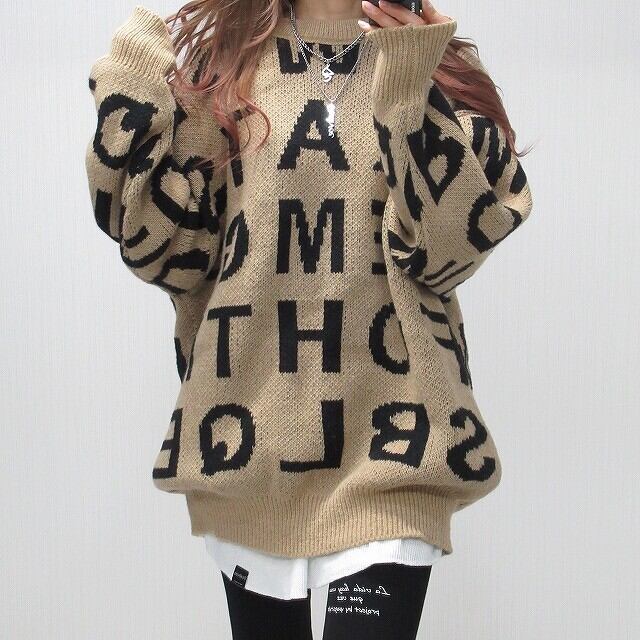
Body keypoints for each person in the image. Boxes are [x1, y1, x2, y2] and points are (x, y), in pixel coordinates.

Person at [84, 0, 534, 636]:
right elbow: (167, 253)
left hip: (395, 452)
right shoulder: (227, 70)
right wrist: (132, 89)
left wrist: (409, 85)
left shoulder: (430, 62)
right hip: (248, 451)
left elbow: (448, 254)